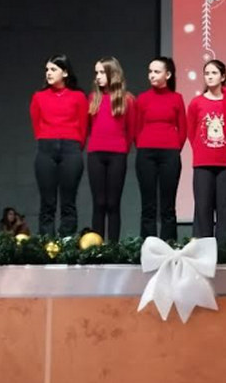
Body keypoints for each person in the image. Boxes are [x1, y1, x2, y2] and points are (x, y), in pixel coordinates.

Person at [30, 54, 88, 236]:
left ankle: (66, 242)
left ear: (65, 73)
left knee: (68, 201)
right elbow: (36, 124)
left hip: (71, 149)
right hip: (46, 149)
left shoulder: (78, 97)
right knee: (47, 202)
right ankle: (46, 243)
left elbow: (84, 126)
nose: (49, 73)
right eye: (47, 69)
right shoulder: (39, 97)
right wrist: (47, 138)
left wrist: (74, 145)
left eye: (53, 69)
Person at [135, 56, 187, 240]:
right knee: (148, 205)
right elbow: (136, 128)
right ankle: (147, 245)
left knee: (168, 205)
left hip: (169, 154)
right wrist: (144, 145)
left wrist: (173, 148)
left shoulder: (176, 98)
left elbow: (183, 129)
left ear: (168, 75)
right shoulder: (142, 99)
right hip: (146, 154)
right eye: (150, 71)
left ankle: (169, 245)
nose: (152, 75)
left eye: (157, 72)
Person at [87, 57, 136, 242]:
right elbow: (89, 127)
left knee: (113, 203)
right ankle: (97, 246)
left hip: (117, 155)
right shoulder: (93, 98)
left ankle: (113, 247)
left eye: (102, 72)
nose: (98, 76)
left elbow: (131, 130)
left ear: (112, 73)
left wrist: (122, 149)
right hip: (96, 154)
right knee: (99, 203)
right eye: (96, 73)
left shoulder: (127, 99)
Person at [187, 60, 226, 241]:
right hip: (203, 163)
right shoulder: (196, 103)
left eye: (214, 73)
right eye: (207, 73)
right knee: (203, 207)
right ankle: (202, 248)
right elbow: (191, 132)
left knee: (225, 208)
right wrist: (202, 149)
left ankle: (223, 249)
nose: (210, 77)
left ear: (222, 77)